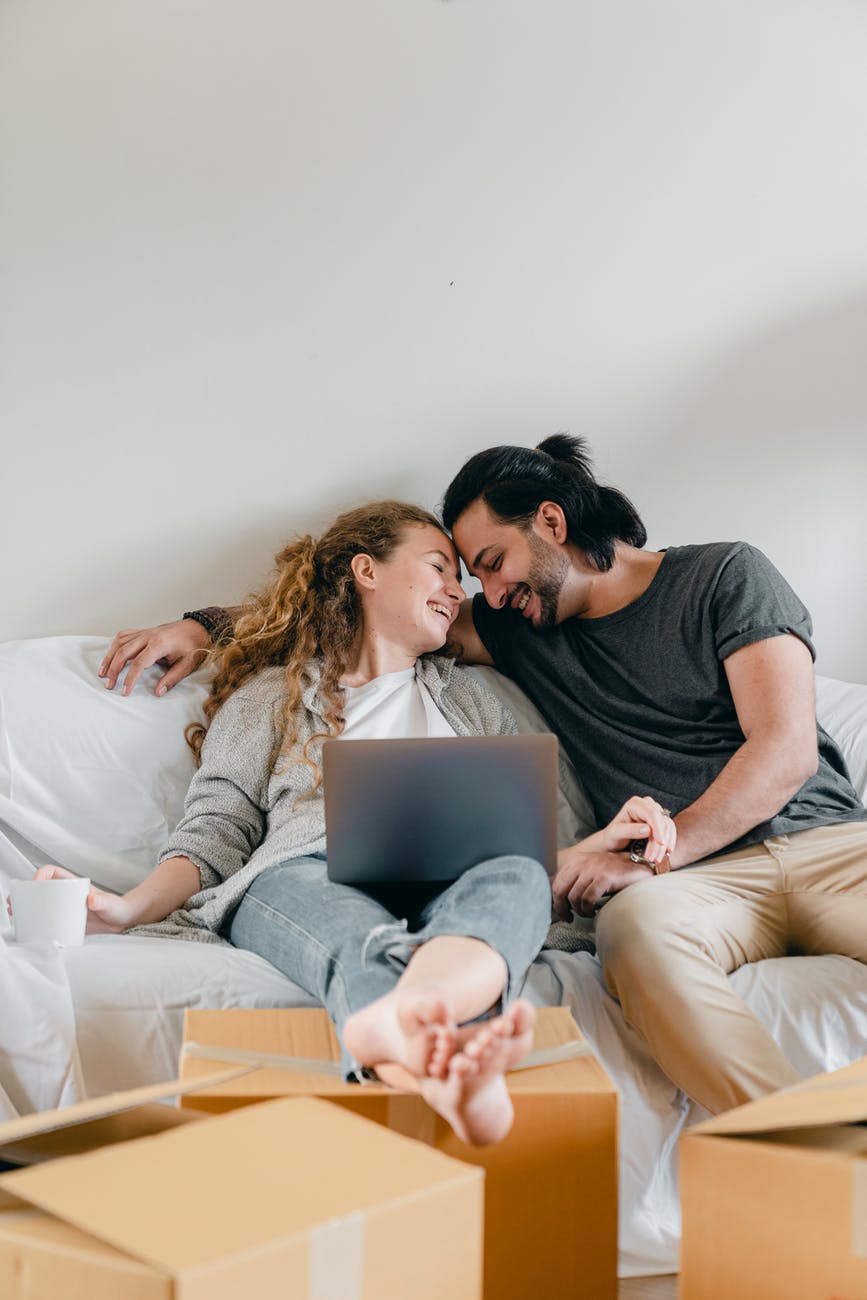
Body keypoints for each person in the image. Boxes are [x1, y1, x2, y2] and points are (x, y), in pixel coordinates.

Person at [99, 440, 867, 1117]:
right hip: (675, 888)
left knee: (532, 883)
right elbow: (321, 615)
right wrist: (199, 624)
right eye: (465, 575)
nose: (483, 594)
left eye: (488, 565)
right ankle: (804, 1154)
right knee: (629, 936)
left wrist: (626, 854)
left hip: (825, 845)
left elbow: (782, 750)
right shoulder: (505, 629)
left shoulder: (718, 576)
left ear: (551, 523)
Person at [45, 499, 674, 1144]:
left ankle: (404, 1029)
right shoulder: (272, 697)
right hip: (305, 874)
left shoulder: (476, 702)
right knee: (325, 907)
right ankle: (441, 1055)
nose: (459, 592)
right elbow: (214, 835)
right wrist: (127, 910)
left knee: (514, 871)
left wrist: (598, 845)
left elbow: (522, 843)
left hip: (455, 880)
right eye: (439, 568)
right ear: (367, 571)